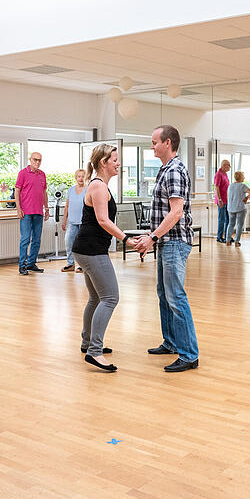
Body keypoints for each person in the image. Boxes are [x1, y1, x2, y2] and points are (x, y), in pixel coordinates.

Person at [132, 125, 199, 373]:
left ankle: (189, 354)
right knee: (164, 294)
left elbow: (176, 212)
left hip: (173, 242)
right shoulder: (166, 169)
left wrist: (152, 237)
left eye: (154, 142)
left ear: (167, 143)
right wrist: (152, 236)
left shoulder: (173, 171)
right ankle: (171, 342)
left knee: (175, 297)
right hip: (165, 242)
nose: (152, 146)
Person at [72, 145, 134, 372]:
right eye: (115, 160)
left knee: (96, 298)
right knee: (110, 297)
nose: (118, 163)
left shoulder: (100, 185)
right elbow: (103, 221)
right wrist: (126, 239)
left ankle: (87, 341)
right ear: (103, 163)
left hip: (85, 248)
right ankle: (94, 351)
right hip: (92, 250)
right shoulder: (98, 187)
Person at [15, 152, 50, 275]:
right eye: (35, 160)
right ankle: (22, 266)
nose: (37, 162)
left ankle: (31, 263)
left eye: (40, 160)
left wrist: (47, 208)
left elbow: (44, 192)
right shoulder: (23, 173)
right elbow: (17, 191)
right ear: (30, 159)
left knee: (36, 240)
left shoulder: (42, 175)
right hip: (26, 212)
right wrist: (18, 209)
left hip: (38, 212)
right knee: (25, 239)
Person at [61, 168, 87, 272]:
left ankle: (83, 265)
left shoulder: (88, 189)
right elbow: (67, 206)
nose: (81, 178)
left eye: (83, 176)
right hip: (72, 222)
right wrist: (64, 221)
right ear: (76, 178)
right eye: (79, 176)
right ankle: (70, 264)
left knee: (82, 244)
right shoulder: (71, 190)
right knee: (69, 242)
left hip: (83, 222)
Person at [225, 170, 250, 246]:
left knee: (231, 224)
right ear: (241, 177)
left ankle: (227, 240)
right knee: (240, 225)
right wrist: (246, 198)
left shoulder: (230, 185)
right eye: (243, 176)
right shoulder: (242, 185)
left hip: (231, 207)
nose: (244, 177)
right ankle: (237, 241)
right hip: (240, 207)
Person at [213, 159, 230, 243]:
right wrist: (219, 200)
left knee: (228, 219)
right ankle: (219, 237)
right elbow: (216, 187)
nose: (229, 167)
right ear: (224, 165)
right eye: (228, 165)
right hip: (221, 201)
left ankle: (227, 236)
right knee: (222, 219)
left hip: (227, 200)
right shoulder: (218, 174)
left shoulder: (225, 174)